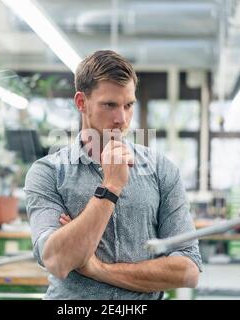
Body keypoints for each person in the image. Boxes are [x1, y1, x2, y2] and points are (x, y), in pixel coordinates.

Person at [24, 50, 201, 299]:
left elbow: (188, 271)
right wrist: (110, 186)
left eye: (128, 105)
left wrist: (98, 269)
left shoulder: (162, 170)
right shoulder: (48, 172)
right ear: (81, 102)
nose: (122, 119)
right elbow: (57, 260)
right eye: (109, 105)